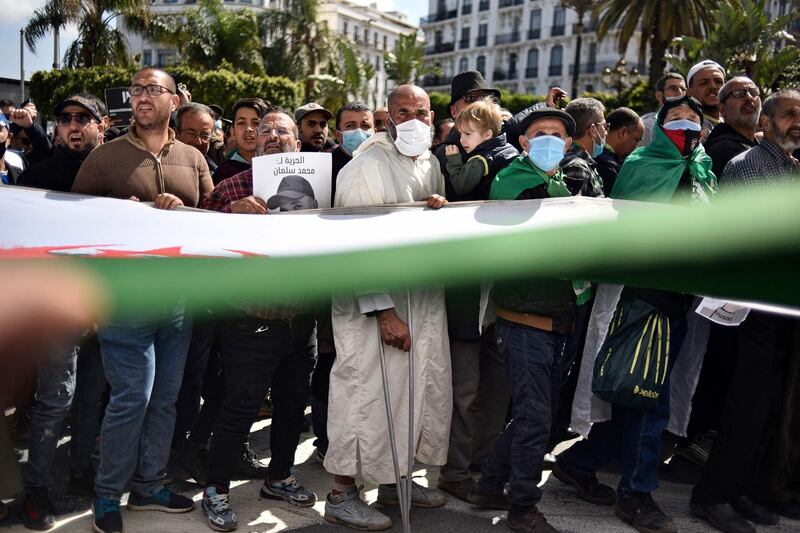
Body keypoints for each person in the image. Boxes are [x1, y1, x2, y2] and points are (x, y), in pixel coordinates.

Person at [555, 96, 715, 533]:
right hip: (643, 299)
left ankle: (579, 462)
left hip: (682, 301)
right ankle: (636, 495)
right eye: (676, 119)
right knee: (648, 399)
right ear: (660, 127)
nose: (685, 126)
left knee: (633, 394)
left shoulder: (703, 170)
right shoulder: (642, 164)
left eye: (693, 120)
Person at [71, 66, 214, 533]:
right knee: (132, 398)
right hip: (125, 301)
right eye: (137, 90)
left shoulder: (193, 157)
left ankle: (149, 485)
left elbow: (213, 222)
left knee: (166, 400)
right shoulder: (103, 158)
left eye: (154, 89)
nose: (142, 96)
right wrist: (114, 219)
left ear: (176, 100)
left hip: (178, 302)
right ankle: (108, 495)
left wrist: (186, 211)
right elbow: (74, 231)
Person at [323, 84, 450, 531]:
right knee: (365, 399)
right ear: (388, 118)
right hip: (378, 310)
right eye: (403, 111)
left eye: (421, 111)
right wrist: (383, 312)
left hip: (421, 302)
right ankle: (341, 494)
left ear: (432, 117)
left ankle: (399, 481)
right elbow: (357, 246)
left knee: (413, 394)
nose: (413, 118)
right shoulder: (366, 166)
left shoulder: (429, 162)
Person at [199, 107, 318, 532]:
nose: (271, 136)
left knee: (291, 405)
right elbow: (199, 242)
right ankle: (216, 489)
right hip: (251, 318)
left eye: (281, 131)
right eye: (264, 130)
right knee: (240, 408)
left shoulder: (324, 188)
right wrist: (231, 214)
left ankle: (279, 477)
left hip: (302, 318)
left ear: (297, 144)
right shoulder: (230, 187)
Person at [690, 90, 800, 533]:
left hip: (781, 306)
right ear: (768, 123)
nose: (797, 122)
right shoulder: (750, 166)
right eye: (789, 114)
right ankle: (712, 497)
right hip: (751, 308)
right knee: (746, 408)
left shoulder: (788, 168)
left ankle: (744, 491)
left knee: (772, 406)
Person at [467, 106, 578, 533]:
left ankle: (490, 485)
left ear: (568, 145)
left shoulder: (569, 184)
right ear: (525, 142)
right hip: (522, 318)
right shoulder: (512, 181)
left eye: (557, 134)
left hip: (559, 318)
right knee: (535, 418)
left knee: (535, 414)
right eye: (540, 133)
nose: (549, 139)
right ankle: (522, 506)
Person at [437, 97, 517, 502]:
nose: (462, 139)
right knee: (465, 392)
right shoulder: (462, 162)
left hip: (499, 300)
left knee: (495, 387)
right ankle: (454, 472)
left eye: (469, 132)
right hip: (467, 300)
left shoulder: (503, 161)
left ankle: (482, 463)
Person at [19, 94, 107, 192]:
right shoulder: (35, 177)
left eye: (82, 118)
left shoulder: (119, 173)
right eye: (65, 119)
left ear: (100, 127)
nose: (73, 126)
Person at [444, 97, 518, 199]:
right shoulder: (510, 148)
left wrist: (454, 160)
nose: (461, 140)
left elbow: (461, 187)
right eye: (461, 134)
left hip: (489, 210)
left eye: (467, 134)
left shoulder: (480, 160)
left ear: (488, 134)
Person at [703, 77, 762, 177]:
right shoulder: (724, 150)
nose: (749, 97)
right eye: (738, 93)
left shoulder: (751, 143)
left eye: (753, 92)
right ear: (722, 109)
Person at [213, 98, 268, 184]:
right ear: (232, 130)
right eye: (241, 123)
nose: (248, 129)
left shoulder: (279, 167)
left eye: (256, 123)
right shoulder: (223, 173)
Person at [561, 98, 606, 197]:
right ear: (593, 130)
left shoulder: (575, 160)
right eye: (604, 126)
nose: (606, 132)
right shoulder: (578, 166)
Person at [594, 107, 643, 195]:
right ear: (623, 132)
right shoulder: (607, 165)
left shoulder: (594, 154)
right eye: (636, 140)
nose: (636, 147)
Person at [331, 101, 373, 196]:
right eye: (350, 125)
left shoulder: (384, 162)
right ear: (337, 134)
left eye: (365, 125)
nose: (359, 131)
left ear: (375, 131)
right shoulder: (326, 166)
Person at [639, 73, 687, 147]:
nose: (680, 93)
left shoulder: (691, 126)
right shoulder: (648, 127)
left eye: (683, 89)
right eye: (673, 88)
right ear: (659, 95)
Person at [686, 60, 726, 138]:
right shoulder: (687, 126)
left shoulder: (734, 123)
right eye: (704, 83)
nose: (713, 86)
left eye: (718, 82)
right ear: (690, 93)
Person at [175, 102, 218, 174]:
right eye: (191, 134)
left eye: (204, 135)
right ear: (176, 133)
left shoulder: (217, 176)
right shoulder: (159, 168)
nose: (198, 141)